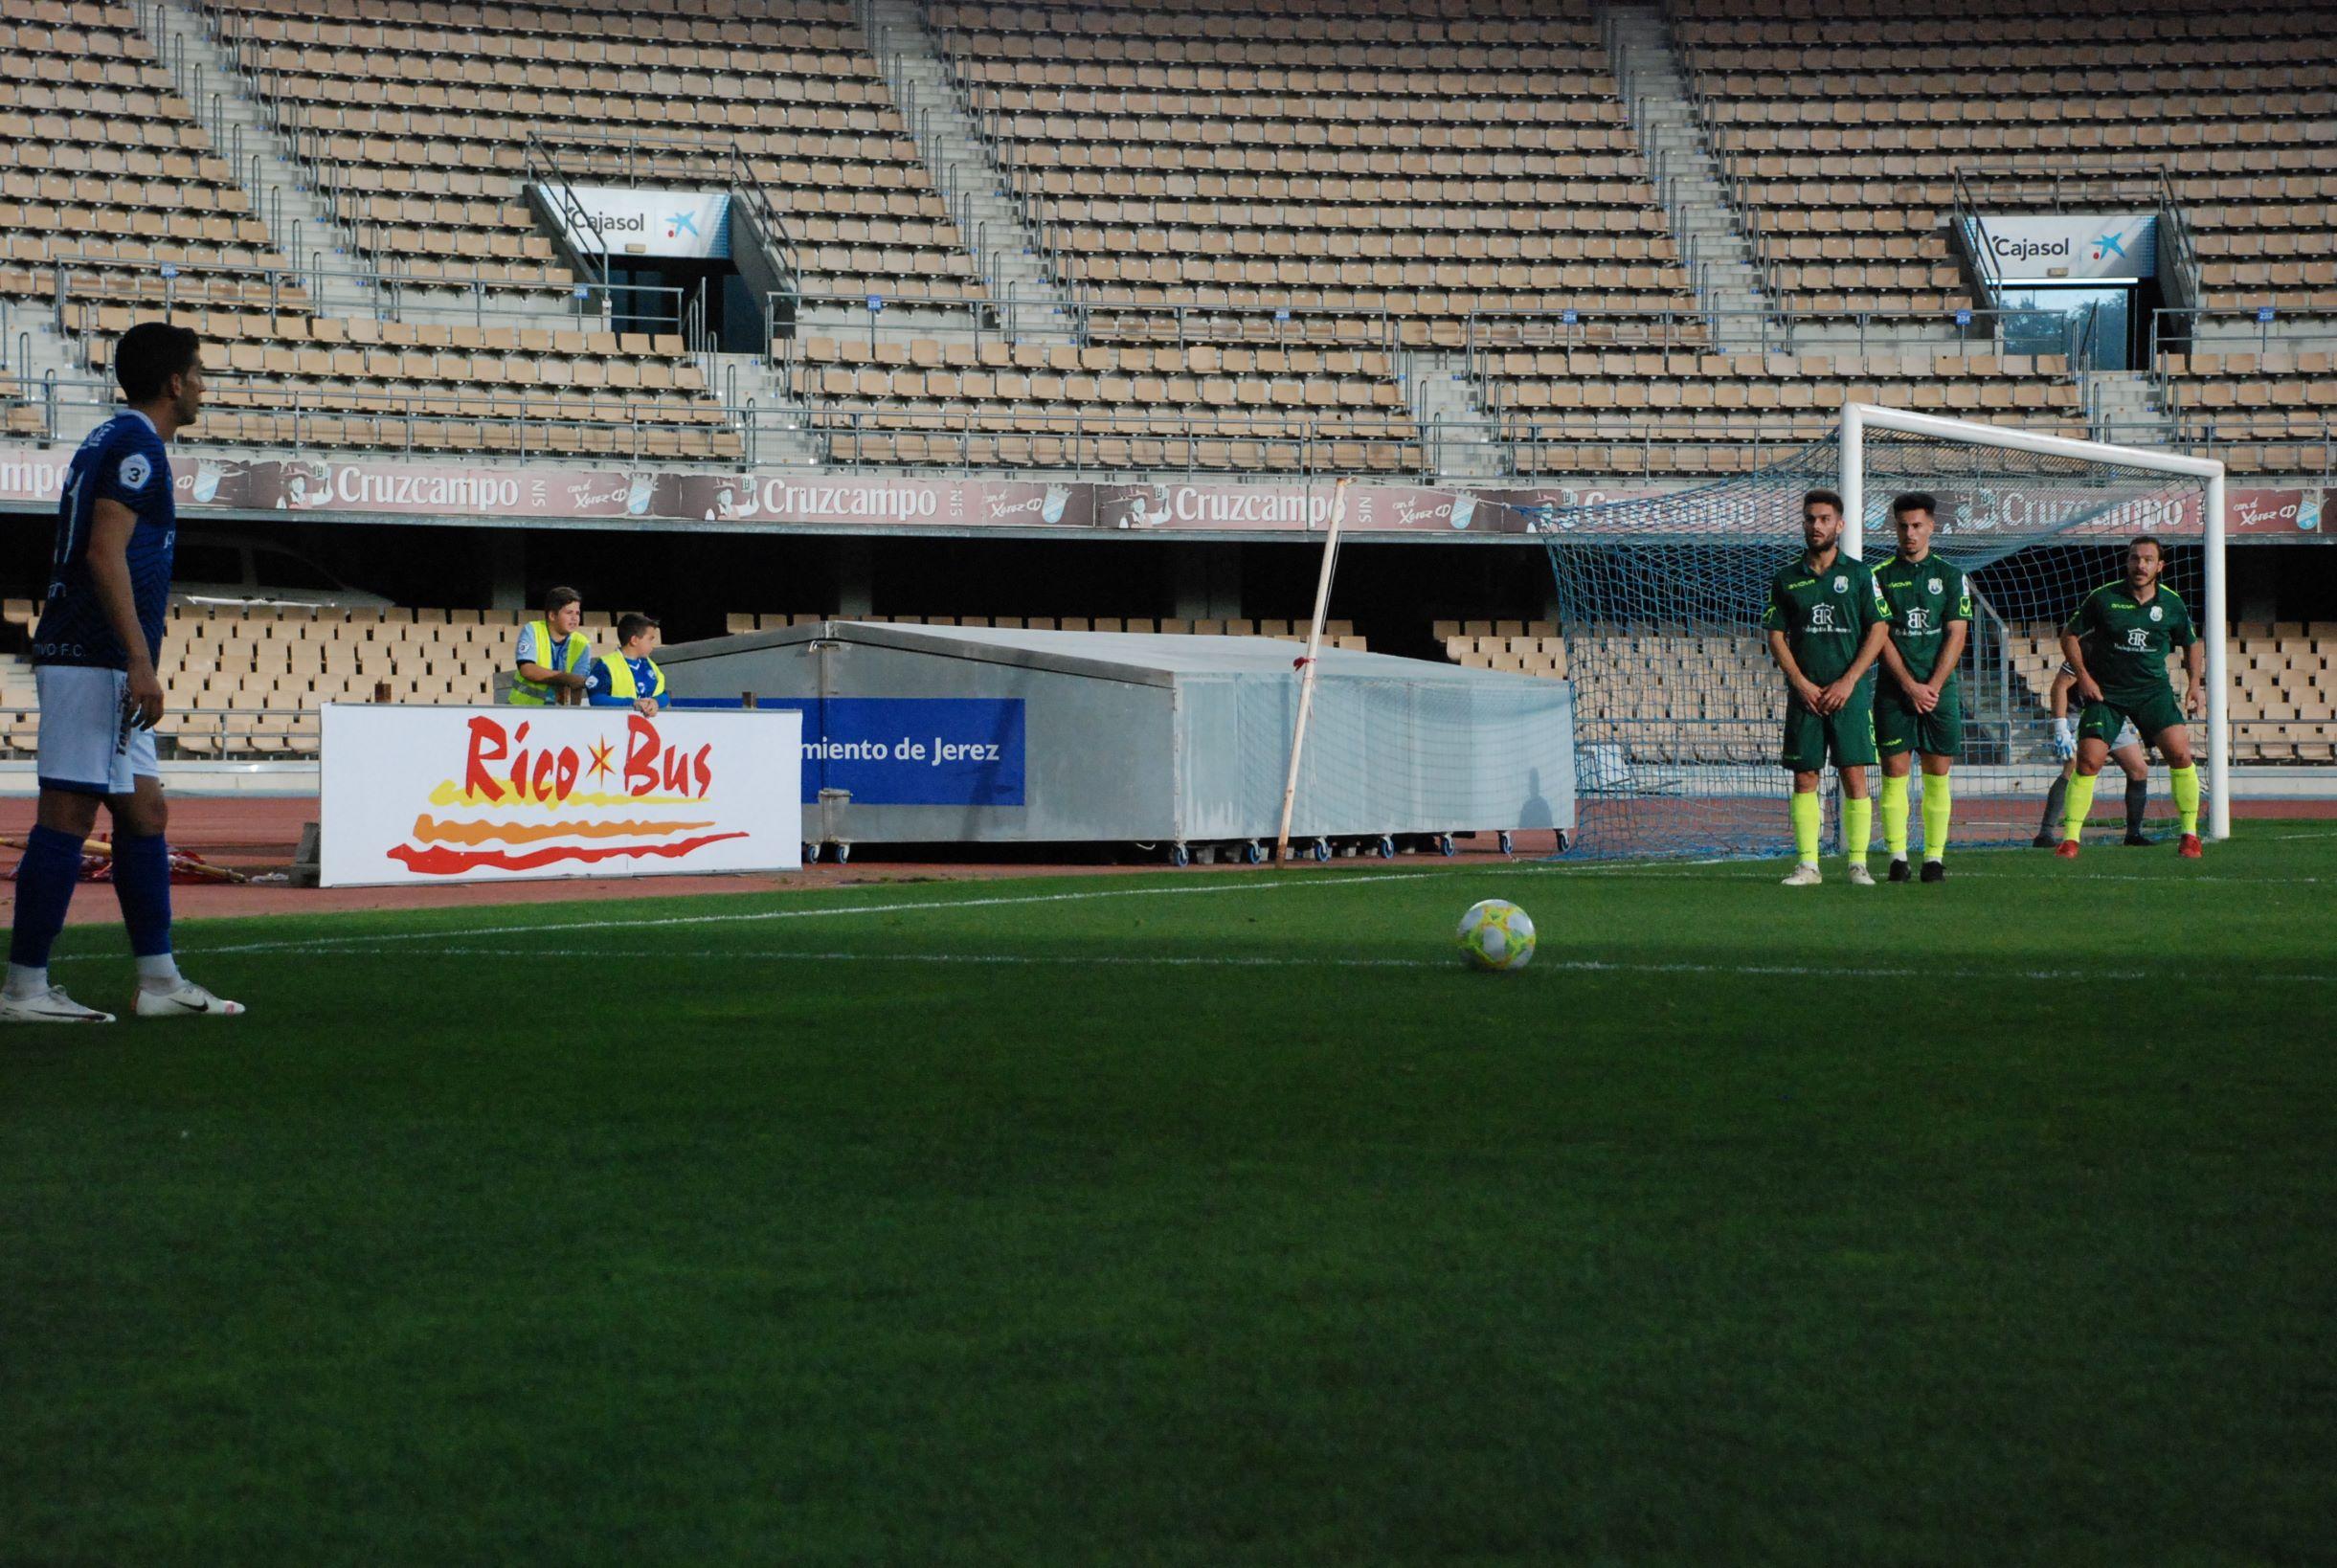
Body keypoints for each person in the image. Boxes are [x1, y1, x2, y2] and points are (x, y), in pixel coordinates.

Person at [3, 322, 243, 1023]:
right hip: (94, 657)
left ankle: (160, 980)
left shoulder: (114, 438)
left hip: (100, 656)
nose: (203, 386)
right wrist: (140, 660)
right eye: (198, 373)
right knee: (68, 814)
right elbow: (105, 554)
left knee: (144, 813)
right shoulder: (136, 444)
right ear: (174, 382)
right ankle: (23, 989)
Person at [1764, 487, 1893, 886]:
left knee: (1854, 775)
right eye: (1809, 519)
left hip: (1849, 695)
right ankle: (1808, 865)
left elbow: (1880, 627)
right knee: (1805, 776)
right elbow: (1775, 635)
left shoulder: (1858, 575)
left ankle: (1858, 864)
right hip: (1806, 696)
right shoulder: (1786, 579)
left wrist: (1849, 680)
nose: (1815, 526)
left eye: (1823, 519)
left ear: (1840, 525)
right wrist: (1799, 682)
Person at [2056, 535, 2206, 859]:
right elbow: (2069, 635)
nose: (2141, 565)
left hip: (2152, 692)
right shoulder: (2103, 598)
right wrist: (2083, 676)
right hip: (2107, 694)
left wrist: (2195, 683)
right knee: (2088, 761)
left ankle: (2190, 835)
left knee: (2181, 755)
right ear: (2127, 562)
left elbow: (2191, 643)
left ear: (2160, 566)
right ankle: (2070, 839)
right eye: (2135, 558)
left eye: (2148, 559)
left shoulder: (2171, 603)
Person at [1870, 493, 1970, 884]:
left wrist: (1932, 686)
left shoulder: (1950, 575)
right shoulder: (1878, 576)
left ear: (1932, 526)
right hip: (1896, 691)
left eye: (1917, 526)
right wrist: (1910, 685)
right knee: (1894, 772)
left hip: (1939, 692)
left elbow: (1957, 634)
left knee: (1936, 774)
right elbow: (1880, 637)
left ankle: (1933, 858)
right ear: (1894, 527)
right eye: (1903, 526)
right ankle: (1897, 856)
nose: (1909, 533)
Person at [2034, 664, 2151, 848]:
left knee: (2138, 769)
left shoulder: (2128, 650)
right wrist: (2060, 727)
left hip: (2112, 716)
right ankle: (2045, 833)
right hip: (2080, 715)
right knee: (2073, 767)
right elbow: (2059, 686)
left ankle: (2133, 834)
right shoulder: (2086, 646)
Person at [511, 586, 591, 706]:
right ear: (552, 616)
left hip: (556, 716)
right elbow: (527, 669)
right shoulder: (532, 630)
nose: (575, 618)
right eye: (569, 613)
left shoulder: (583, 643)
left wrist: (574, 716)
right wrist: (565, 677)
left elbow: (576, 685)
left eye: (577, 613)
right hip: (523, 710)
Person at [583, 613, 666, 716]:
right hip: (616, 725)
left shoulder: (651, 665)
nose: (653, 644)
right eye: (650, 639)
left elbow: (664, 695)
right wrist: (632, 703)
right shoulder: (606, 664)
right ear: (634, 640)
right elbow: (596, 699)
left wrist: (655, 702)